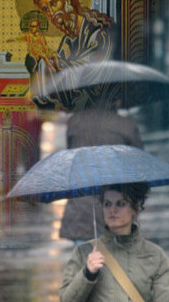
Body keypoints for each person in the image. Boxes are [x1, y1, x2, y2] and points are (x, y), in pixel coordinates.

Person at [59, 94, 143, 242]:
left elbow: (71, 157)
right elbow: (139, 164)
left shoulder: (75, 123)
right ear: (115, 98)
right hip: (117, 206)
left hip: (82, 208)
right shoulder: (126, 125)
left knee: (86, 259)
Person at [31, 0, 118, 74]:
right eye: (46, 9)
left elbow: (93, 69)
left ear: (67, 0)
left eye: (53, 4)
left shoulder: (97, 31)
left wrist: (61, 65)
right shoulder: (67, 41)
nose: (51, 12)